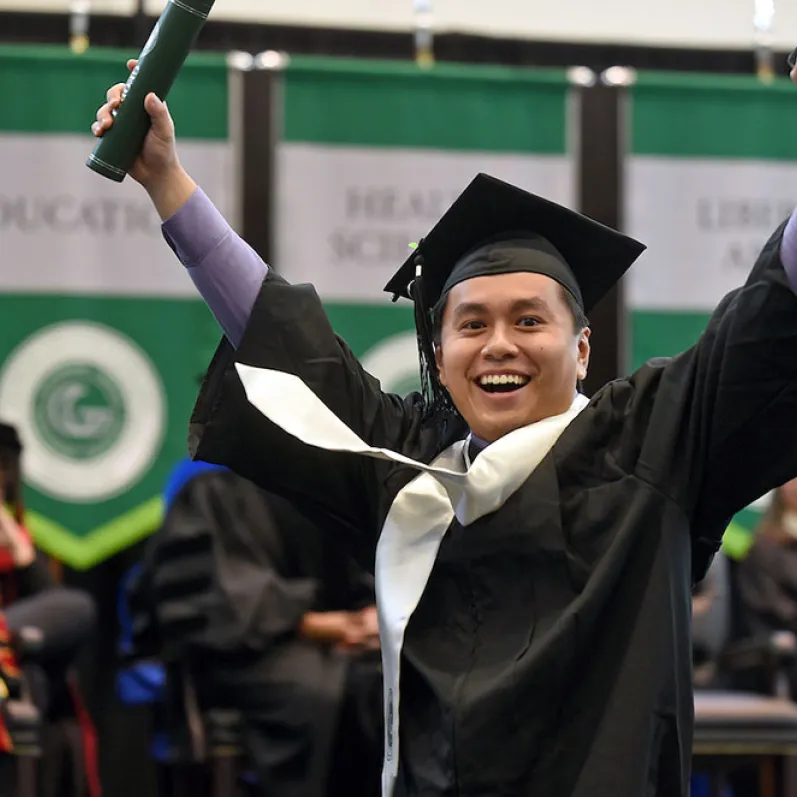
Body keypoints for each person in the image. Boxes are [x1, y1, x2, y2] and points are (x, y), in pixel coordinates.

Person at [92, 60, 797, 797]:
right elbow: (281, 337)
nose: (498, 344)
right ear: (438, 354)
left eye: (529, 320)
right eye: (471, 324)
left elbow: (767, 314)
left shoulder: (652, 443)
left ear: (581, 348)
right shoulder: (411, 472)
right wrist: (167, 182)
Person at [128, 464, 382, 797]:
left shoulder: (336, 474)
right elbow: (217, 600)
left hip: (344, 643)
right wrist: (319, 625)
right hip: (242, 654)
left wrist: (378, 613)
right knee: (317, 691)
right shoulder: (213, 477)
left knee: (389, 683)